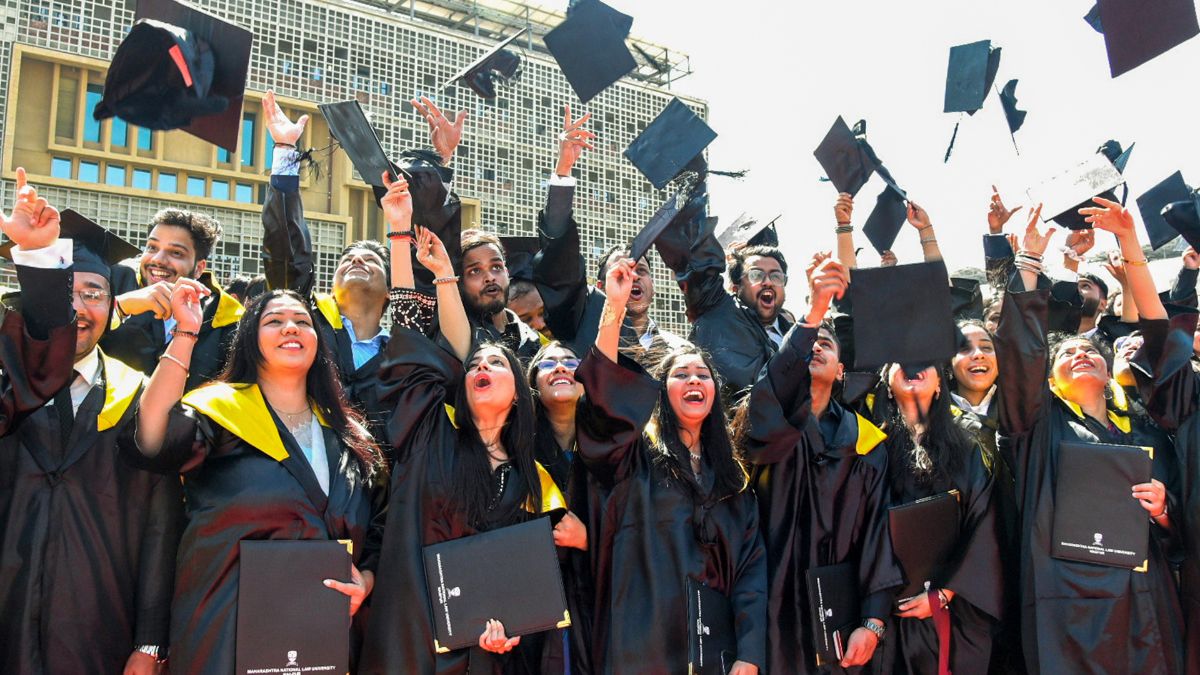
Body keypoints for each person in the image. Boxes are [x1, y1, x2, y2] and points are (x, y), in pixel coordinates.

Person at [359, 177, 566, 674]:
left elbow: (523, 578)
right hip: (408, 636)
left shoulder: (528, 480)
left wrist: (511, 623)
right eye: (474, 365)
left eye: (496, 365)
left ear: (520, 392)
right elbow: (409, 330)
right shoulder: (430, 433)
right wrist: (400, 234)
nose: (480, 368)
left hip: (481, 654)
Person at [131, 282, 386, 672]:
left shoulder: (349, 436)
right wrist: (185, 335)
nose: (290, 327)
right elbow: (153, 440)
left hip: (319, 642)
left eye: (302, 321)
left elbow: (379, 530)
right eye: (274, 320)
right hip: (224, 633)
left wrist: (365, 581)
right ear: (251, 338)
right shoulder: (219, 412)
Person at [0, 169, 184, 674]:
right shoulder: (8, 384)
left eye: (95, 294)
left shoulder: (138, 395)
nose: (80, 308)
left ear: (114, 306)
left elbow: (159, 527)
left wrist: (150, 641)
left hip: (97, 627)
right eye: (67, 292)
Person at [995, 200, 1184, 674]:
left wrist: (1165, 509)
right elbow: (1020, 359)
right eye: (1067, 354)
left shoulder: (1144, 427)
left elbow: (1178, 521)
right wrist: (1029, 262)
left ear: (1109, 370)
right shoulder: (1038, 428)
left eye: (1090, 351)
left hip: (1144, 602)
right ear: (1050, 381)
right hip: (1068, 605)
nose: (1081, 355)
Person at [572, 254, 766, 674]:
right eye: (681, 375)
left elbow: (751, 571)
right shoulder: (636, 458)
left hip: (712, 652)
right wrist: (613, 307)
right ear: (661, 393)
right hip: (641, 646)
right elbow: (603, 403)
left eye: (703, 374)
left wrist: (750, 654)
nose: (694, 380)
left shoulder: (732, 479)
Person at [261, 89, 466, 447]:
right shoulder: (308, 332)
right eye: (347, 259)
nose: (356, 259)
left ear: (392, 289)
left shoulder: (405, 348)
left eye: (371, 259)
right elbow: (286, 254)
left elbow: (426, 264)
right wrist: (284, 154)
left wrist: (440, 162)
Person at [733, 252, 901, 674]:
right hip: (772, 601)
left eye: (828, 342)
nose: (817, 345)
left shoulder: (867, 443)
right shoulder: (773, 423)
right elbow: (770, 391)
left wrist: (875, 620)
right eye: (810, 341)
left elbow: (880, 536)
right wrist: (814, 313)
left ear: (842, 371)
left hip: (839, 613)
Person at [869, 359, 1001, 674]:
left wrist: (945, 592)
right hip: (885, 611)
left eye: (925, 361)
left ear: (941, 384)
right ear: (887, 384)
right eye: (902, 359)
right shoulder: (868, 447)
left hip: (952, 609)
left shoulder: (967, 448)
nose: (914, 365)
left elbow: (984, 522)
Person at [101, 206, 243, 391]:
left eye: (176, 253)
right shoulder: (114, 283)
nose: (158, 259)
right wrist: (120, 307)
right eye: (152, 247)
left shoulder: (225, 317)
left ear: (199, 268)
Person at [527, 341, 593, 674]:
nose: (560, 367)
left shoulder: (613, 451)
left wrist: (588, 540)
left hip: (596, 602)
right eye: (547, 363)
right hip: (534, 606)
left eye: (570, 360)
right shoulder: (517, 452)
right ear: (531, 384)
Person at [459, 228, 543, 362]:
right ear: (460, 281)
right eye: (475, 271)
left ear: (507, 271)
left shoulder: (531, 339)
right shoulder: (458, 338)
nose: (490, 277)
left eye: (496, 267)